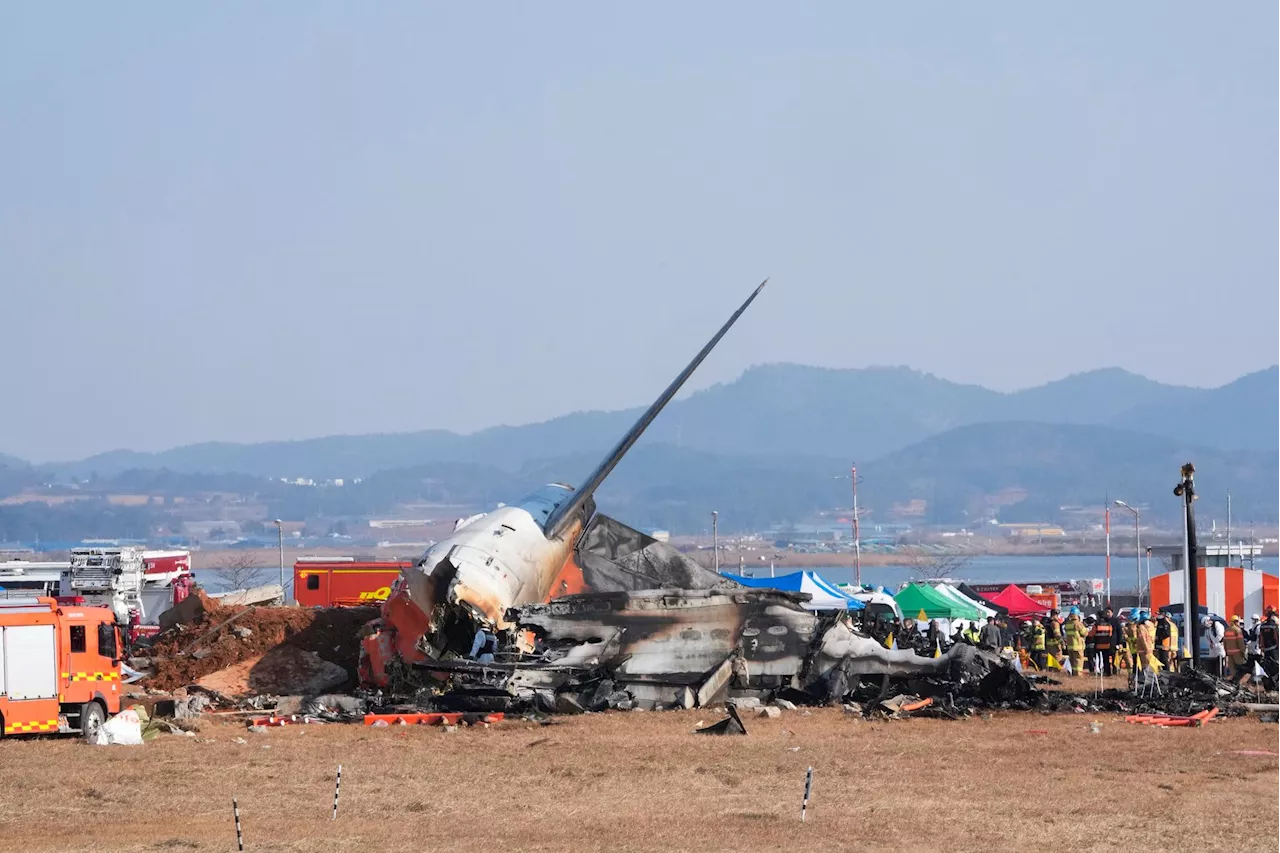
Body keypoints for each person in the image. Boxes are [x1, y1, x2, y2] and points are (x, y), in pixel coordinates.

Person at [1091, 610, 1115, 676]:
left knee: (1097, 659)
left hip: (1098, 645)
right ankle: (1108, 672)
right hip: (1107, 645)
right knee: (1106, 659)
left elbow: (1091, 634)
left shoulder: (1096, 625)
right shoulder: (1109, 624)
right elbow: (1110, 634)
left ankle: (1098, 671)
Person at [1223, 616, 1248, 680]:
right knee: (1240, 669)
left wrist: (1226, 652)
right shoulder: (1237, 630)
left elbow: (1224, 643)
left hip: (1229, 653)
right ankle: (1239, 683)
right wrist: (1243, 651)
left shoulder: (1227, 630)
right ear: (1235, 622)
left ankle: (1234, 682)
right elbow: (1240, 642)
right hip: (1237, 653)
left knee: (1232, 670)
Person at [1063, 609, 1087, 676]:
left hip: (1070, 646)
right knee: (1078, 662)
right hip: (1078, 646)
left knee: (1072, 662)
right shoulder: (1078, 624)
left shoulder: (1068, 624)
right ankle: (1078, 675)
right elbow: (1085, 633)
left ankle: (1073, 674)